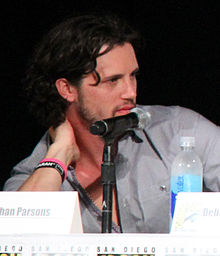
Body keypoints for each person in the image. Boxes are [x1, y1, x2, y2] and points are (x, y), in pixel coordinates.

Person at [3, 14, 220, 233]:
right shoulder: (34, 176)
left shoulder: (180, 130)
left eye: (133, 76)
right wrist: (59, 152)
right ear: (67, 89)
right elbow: (19, 236)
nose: (131, 92)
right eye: (113, 81)